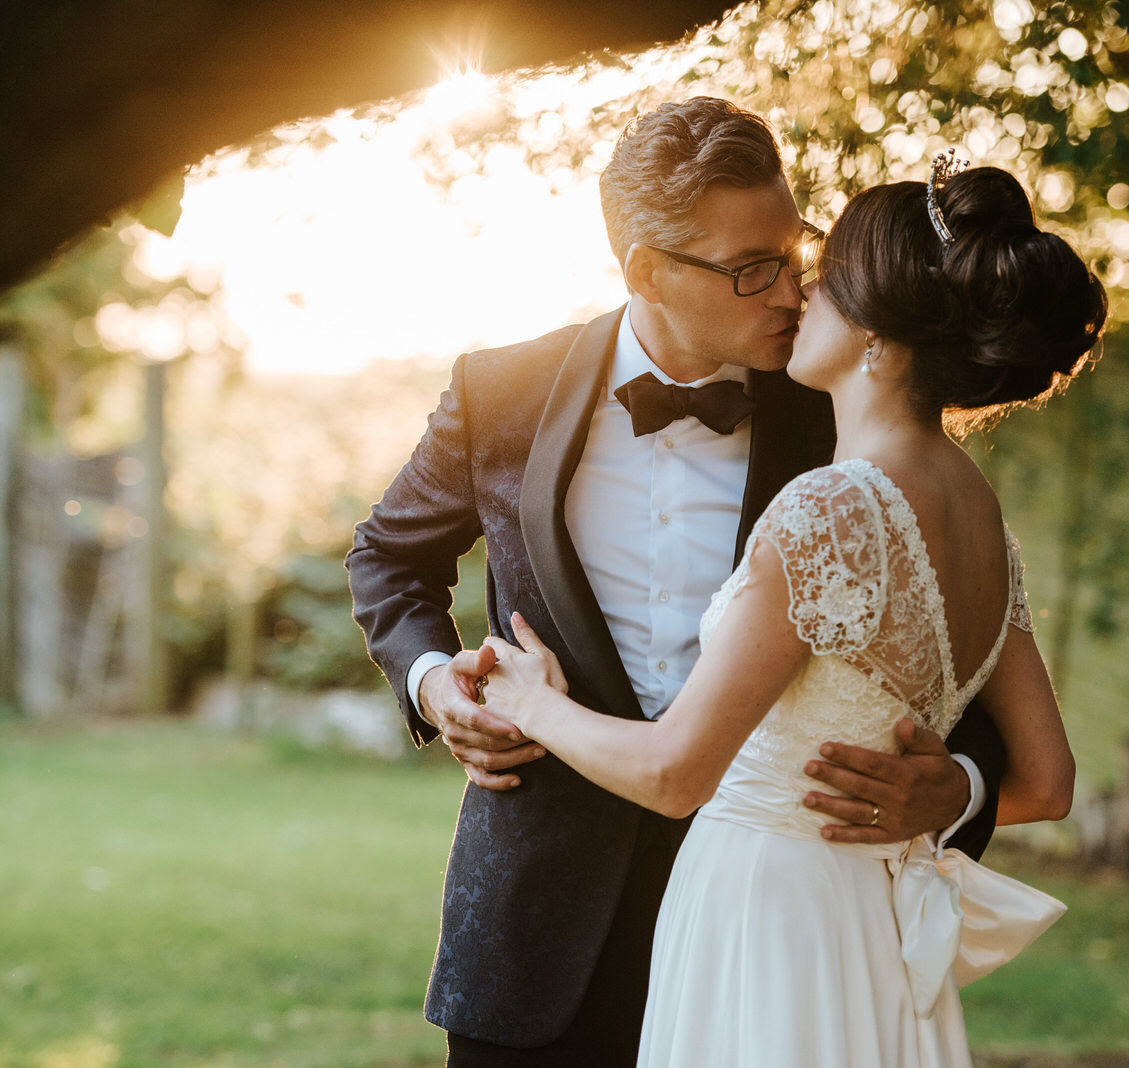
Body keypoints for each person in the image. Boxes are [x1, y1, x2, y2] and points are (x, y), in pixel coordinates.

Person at [346, 98, 1009, 1066]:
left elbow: (953, 637)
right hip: (534, 929)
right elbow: (386, 555)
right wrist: (432, 679)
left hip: (770, 926)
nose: (791, 291)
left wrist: (957, 787)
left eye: (795, 253)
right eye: (752, 269)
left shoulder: (849, 415)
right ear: (646, 272)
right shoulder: (502, 394)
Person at [479, 156, 1106, 1067]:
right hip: (865, 920)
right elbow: (1047, 784)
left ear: (877, 335)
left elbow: (673, 775)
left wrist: (528, 701)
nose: (798, 293)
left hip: (766, 920)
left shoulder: (830, 510)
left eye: (826, 278)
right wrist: (958, 791)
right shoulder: (977, 507)